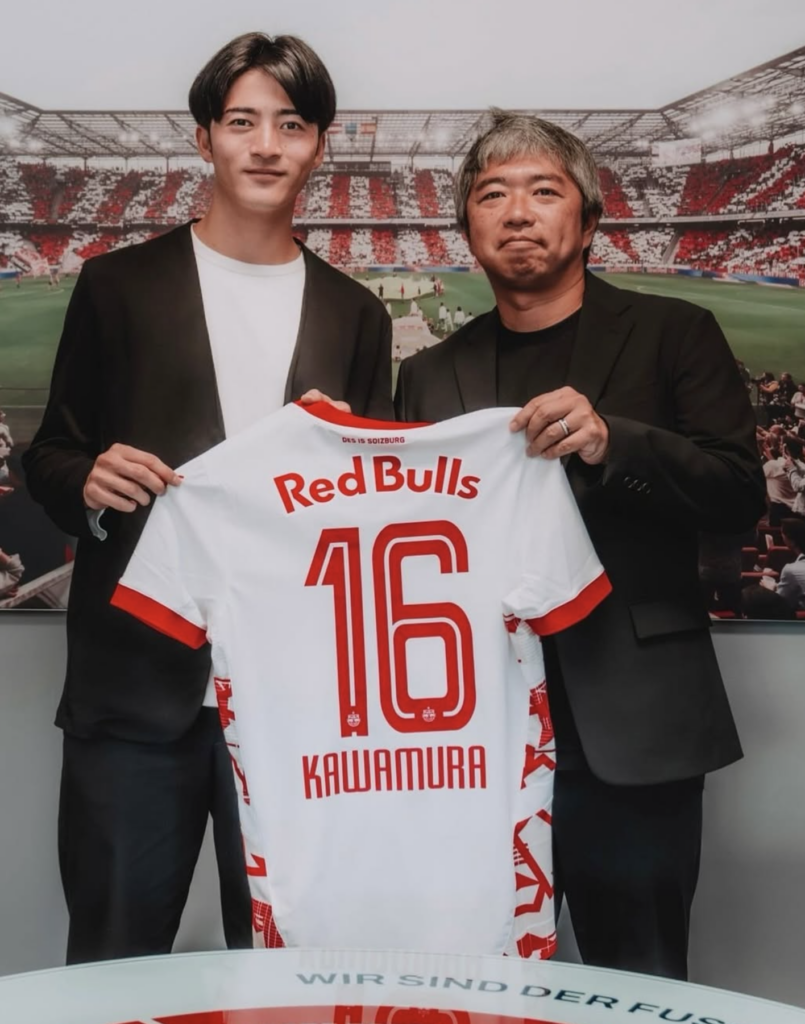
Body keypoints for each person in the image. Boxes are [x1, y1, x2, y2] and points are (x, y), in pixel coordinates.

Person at [23, 31, 392, 966]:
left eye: (291, 124)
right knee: (110, 963)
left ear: (320, 145)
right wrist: (86, 481)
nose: (266, 145)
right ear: (204, 138)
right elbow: (52, 452)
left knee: (290, 969)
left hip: (299, 705)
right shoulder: (116, 285)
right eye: (242, 122)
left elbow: (374, 513)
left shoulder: (356, 313)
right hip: (132, 693)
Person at [394, 111, 765, 980]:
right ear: (466, 229)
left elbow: (736, 497)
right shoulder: (427, 373)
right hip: (470, 737)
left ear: (589, 219)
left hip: (634, 727)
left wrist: (613, 443)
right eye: (492, 194)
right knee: (472, 983)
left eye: (543, 190)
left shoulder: (676, 332)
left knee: (638, 982)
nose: (517, 212)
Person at [775, 517, 805, 610]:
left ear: (792, 541)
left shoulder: (791, 570)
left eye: (783, 536)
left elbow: (779, 602)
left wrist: (770, 589)